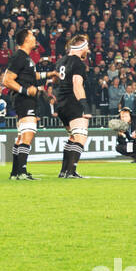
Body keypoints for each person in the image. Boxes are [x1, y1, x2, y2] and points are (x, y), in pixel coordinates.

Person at [2, 29, 49, 180]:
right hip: (23, 99)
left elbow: (32, 76)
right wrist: (26, 91)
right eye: (32, 36)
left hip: (26, 99)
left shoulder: (26, 58)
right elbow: (7, 80)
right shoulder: (19, 56)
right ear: (26, 39)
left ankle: (15, 173)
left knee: (21, 136)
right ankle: (21, 172)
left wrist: (49, 75)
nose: (35, 38)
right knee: (28, 133)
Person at [53, 34, 90, 178]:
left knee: (73, 137)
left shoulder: (61, 61)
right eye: (86, 46)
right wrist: (84, 105)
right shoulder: (78, 63)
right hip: (73, 103)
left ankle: (64, 171)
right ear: (80, 47)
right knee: (81, 137)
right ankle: (71, 171)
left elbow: (56, 80)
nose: (87, 49)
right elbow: (77, 83)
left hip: (61, 104)